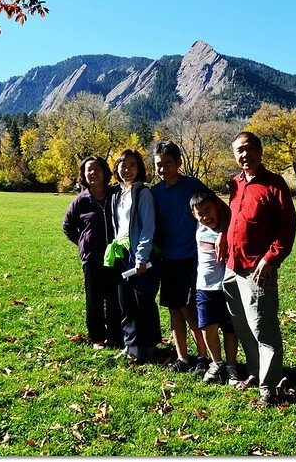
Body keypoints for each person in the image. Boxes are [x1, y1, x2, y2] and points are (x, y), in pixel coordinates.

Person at [221, 131, 296, 406]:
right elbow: (231, 220)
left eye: (248, 148)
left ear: (259, 150)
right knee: (242, 327)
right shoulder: (235, 183)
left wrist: (269, 259)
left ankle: (270, 387)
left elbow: (287, 230)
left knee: (264, 330)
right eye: (238, 151)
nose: (244, 155)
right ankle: (255, 373)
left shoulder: (274, 185)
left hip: (257, 269)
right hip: (232, 266)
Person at [150, 141, 210, 375]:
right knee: (174, 309)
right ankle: (183, 357)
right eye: (158, 165)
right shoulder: (154, 193)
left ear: (178, 163)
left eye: (168, 164)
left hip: (191, 257)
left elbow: (213, 209)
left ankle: (204, 356)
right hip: (167, 259)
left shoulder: (192, 186)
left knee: (190, 309)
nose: (163, 169)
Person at [105, 149, 161, 363]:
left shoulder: (143, 193)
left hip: (139, 255)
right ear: (116, 168)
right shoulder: (117, 195)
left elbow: (148, 227)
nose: (127, 169)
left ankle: (149, 347)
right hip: (121, 254)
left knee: (143, 302)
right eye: (123, 165)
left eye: (132, 165)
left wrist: (141, 258)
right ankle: (131, 346)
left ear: (139, 169)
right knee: (126, 303)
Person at [62, 156, 122, 350]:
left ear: (105, 172)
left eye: (97, 169)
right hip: (92, 259)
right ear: (84, 175)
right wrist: (82, 243)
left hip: (116, 256)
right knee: (94, 300)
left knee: (115, 298)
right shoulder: (81, 201)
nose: (93, 173)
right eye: (89, 170)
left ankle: (115, 335)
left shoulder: (115, 195)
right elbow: (68, 226)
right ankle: (97, 337)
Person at [190, 189, 239, 385]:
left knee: (229, 329)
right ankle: (216, 363)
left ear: (217, 206)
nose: (205, 216)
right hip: (204, 286)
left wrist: (224, 233)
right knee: (207, 327)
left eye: (208, 210)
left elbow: (230, 210)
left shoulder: (229, 225)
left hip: (227, 286)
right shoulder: (199, 226)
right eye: (199, 213)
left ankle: (232, 366)